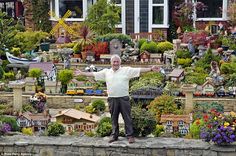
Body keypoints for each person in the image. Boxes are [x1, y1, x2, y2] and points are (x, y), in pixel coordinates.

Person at [74, 54, 160, 144]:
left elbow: (139, 70)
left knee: (127, 118)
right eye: (114, 61)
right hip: (112, 99)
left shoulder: (126, 70)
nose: (115, 63)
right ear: (111, 63)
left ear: (120, 62)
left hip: (124, 98)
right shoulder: (106, 72)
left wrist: (150, 69)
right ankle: (114, 135)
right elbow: (93, 74)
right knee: (113, 118)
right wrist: (82, 73)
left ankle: (130, 135)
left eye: (117, 61)